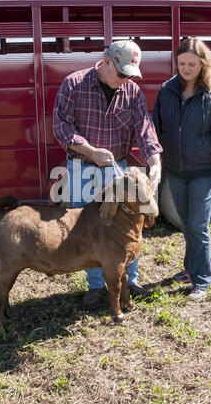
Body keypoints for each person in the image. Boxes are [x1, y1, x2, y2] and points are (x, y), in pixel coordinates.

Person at [53, 39, 162, 310]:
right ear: (108, 61)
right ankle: (95, 286)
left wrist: (155, 161)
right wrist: (91, 151)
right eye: (121, 72)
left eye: (129, 75)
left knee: (129, 227)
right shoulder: (74, 84)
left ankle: (129, 281)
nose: (124, 79)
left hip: (119, 171)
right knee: (89, 229)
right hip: (83, 168)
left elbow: (145, 130)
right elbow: (61, 126)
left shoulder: (132, 92)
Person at [152, 37, 211, 301]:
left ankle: (202, 279)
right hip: (175, 171)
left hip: (204, 173)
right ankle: (190, 269)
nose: (185, 68)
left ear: (202, 64)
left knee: (198, 226)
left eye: (192, 64)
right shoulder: (167, 90)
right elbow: (156, 128)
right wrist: (156, 162)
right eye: (181, 63)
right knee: (187, 225)